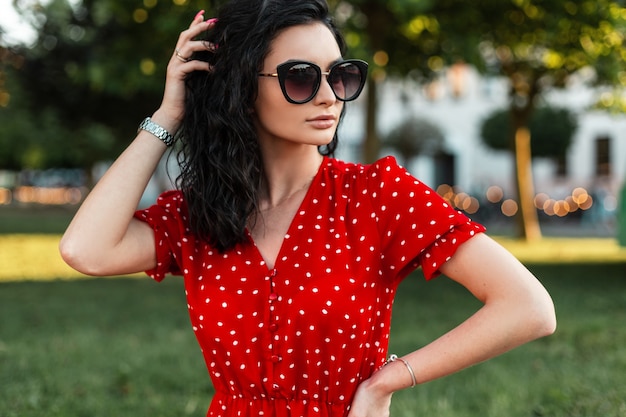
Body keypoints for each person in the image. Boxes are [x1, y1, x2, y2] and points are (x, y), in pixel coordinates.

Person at [59, 0, 556, 416]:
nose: (328, 97)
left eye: (341, 76)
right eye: (300, 77)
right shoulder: (200, 214)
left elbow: (528, 308)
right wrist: (170, 113)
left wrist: (388, 381)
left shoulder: (376, 196)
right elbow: (87, 250)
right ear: (239, 86)